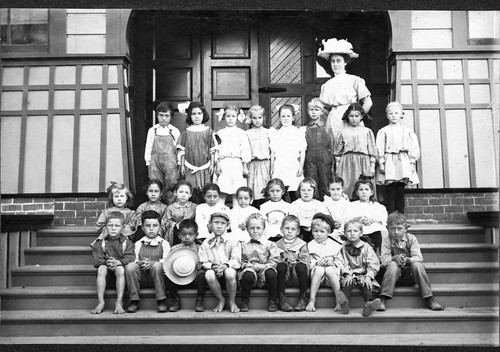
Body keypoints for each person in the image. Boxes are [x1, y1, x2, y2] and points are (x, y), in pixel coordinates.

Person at [379, 211, 444, 311]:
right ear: (387, 228)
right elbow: (384, 261)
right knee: (392, 264)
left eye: (399, 229)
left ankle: (429, 299)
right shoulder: (386, 240)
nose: (396, 232)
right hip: (393, 278)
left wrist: (407, 260)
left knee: (417, 265)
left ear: (406, 229)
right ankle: (383, 299)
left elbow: (418, 257)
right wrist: (394, 258)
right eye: (392, 229)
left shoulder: (411, 239)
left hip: (409, 277)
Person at [317, 38, 373, 134]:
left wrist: (357, 118)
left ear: (345, 62)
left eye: (339, 61)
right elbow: (324, 109)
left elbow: (368, 102)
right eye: (333, 61)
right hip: (332, 122)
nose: (335, 64)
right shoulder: (327, 85)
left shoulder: (355, 80)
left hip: (350, 121)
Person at [376, 102, 421, 214]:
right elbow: (379, 147)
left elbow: (413, 147)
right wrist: (381, 162)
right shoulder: (383, 131)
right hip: (389, 160)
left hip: (403, 160)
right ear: (387, 115)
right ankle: (391, 216)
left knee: (400, 190)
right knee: (390, 190)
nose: (393, 115)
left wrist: (411, 162)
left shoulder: (407, 131)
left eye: (396, 113)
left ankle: (401, 216)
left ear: (401, 114)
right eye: (391, 113)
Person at [125, 210, 170, 313]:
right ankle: (134, 300)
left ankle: (161, 300)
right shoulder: (138, 243)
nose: (151, 229)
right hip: (143, 277)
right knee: (130, 267)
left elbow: (167, 261)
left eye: (155, 225)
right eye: (147, 226)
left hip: (159, 277)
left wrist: (153, 263)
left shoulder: (164, 243)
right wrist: (141, 263)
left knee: (158, 265)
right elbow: (134, 259)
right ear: (142, 227)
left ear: (160, 226)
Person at [90, 211, 135, 314]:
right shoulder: (100, 243)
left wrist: (118, 262)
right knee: (101, 268)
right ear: (105, 227)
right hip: (106, 277)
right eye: (110, 225)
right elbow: (97, 260)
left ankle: (119, 302)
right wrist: (109, 263)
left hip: (122, 278)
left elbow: (130, 258)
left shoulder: (127, 243)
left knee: (120, 268)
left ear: (123, 228)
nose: (113, 228)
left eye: (117, 225)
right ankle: (101, 302)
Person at [198, 212, 241, 312]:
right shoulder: (206, 242)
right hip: (215, 274)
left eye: (223, 223)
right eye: (216, 222)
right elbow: (203, 261)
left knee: (229, 272)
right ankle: (221, 299)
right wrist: (213, 266)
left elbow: (236, 259)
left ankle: (232, 301)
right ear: (210, 224)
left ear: (227, 225)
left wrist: (226, 265)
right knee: (208, 274)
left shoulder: (232, 240)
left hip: (230, 274)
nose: (219, 226)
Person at [305, 213, 348, 313]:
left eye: (322, 231)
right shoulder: (308, 246)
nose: (318, 234)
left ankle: (338, 299)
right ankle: (312, 300)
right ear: (311, 232)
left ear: (328, 233)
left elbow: (341, 261)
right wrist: (316, 262)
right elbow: (306, 261)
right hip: (316, 277)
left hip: (331, 277)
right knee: (320, 269)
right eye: (315, 231)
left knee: (329, 269)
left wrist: (332, 261)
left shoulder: (335, 245)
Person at [333, 103, 378, 198]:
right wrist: (337, 167)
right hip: (346, 163)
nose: (354, 118)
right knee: (347, 187)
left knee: (363, 187)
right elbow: (337, 152)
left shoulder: (367, 131)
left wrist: (372, 166)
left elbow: (372, 151)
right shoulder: (343, 132)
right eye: (351, 116)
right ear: (347, 116)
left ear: (361, 116)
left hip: (363, 162)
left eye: (356, 116)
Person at [340, 219, 382, 317]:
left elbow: (373, 262)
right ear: (345, 233)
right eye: (349, 231)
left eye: (355, 231)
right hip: (350, 275)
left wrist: (369, 275)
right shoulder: (343, 247)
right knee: (347, 284)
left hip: (364, 275)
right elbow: (342, 262)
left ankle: (368, 304)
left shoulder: (367, 247)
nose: (352, 234)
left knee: (366, 285)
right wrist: (347, 274)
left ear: (361, 233)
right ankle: (344, 303)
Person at [239, 213, 280, 312]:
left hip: (264, 271)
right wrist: (245, 264)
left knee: (271, 272)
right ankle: (244, 300)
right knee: (248, 274)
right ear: (247, 229)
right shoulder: (243, 244)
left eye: (258, 228)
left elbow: (275, 260)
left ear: (263, 229)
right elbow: (239, 260)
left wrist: (262, 266)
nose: (255, 231)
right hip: (250, 270)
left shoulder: (270, 244)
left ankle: (272, 301)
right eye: (252, 228)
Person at [177, 102, 217, 204]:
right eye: (194, 114)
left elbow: (212, 149)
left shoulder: (208, 131)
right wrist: (182, 166)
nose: (197, 116)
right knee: (191, 192)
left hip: (205, 167)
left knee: (205, 191)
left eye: (199, 113)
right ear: (190, 116)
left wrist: (212, 164)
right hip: (190, 166)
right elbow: (182, 151)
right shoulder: (186, 132)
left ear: (204, 115)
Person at [164, 219, 207, 312]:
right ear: (179, 235)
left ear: (196, 235)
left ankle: (199, 300)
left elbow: (205, 261)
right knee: (166, 274)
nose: (187, 237)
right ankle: (175, 300)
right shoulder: (174, 249)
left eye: (191, 234)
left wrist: (201, 265)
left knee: (202, 274)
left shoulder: (200, 249)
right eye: (184, 234)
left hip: (194, 279)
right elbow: (168, 263)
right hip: (178, 279)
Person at [214, 105, 251, 207]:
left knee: (237, 192)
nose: (230, 119)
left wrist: (245, 166)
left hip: (237, 164)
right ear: (224, 117)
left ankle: (236, 215)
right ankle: (220, 214)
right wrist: (217, 164)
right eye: (228, 116)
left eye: (233, 116)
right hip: (224, 163)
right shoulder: (220, 133)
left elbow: (245, 149)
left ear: (237, 117)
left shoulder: (241, 133)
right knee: (222, 190)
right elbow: (216, 149)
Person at [144, 102, 180, 204]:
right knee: (156, 185)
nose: (163, 118)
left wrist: (178, 164)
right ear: (157, 115)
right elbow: (148, 147)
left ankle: (170, 208)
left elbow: (179, 149)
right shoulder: (152, 130)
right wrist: (148, 162)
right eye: (161, 115)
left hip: (171, 163)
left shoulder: (174, 131)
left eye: (166, 116)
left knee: (171, 185)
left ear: (171, 116)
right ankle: (157, 209)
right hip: (154, 162)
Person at [270, 104, 307, 202]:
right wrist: (272, 167)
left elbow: (302, 151)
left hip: (293, 164)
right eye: (283, 116)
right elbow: (273, 153)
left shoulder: (297, 132)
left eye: (288, 116)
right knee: (281, 190)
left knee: (294, 189)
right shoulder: (276, 133)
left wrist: (301, 167)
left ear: (293, 117)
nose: (285, 119)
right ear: (279, 118)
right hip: (280, 165)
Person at [275, 215, 310, 312]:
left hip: (297, 276)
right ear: (281, 230)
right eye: (287, 228)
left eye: (293, 229)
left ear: (298, 231)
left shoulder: (302, 244)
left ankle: (303, 297)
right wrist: (284, 260)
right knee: (280, 266)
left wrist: (296, 260)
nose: (290, 231)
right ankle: (281, 299)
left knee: (301, 266)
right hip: (283, 277)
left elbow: (306, 259)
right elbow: (273, 259)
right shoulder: (276, 245)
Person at [346, 177, 388, 256]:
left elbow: (382, 220)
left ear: (371, 192)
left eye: (366, 189)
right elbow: (347, 219)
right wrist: (357, 220)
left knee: (379, 228)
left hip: (372, 227)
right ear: (357, 192)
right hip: (358, 227)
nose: (364, 192)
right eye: (361, 190)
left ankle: (378, 253)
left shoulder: (378, 206)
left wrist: (372, 221)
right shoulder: (352, 205)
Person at [304, 98, 335, 199]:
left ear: (322, 112)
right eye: (311, 109)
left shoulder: (327, 128)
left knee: (325, 181)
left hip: (325, 157)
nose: (314, 112)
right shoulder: (305, 128)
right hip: (310, 158)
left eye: (316, 110)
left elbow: (332, 145)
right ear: (308, 111)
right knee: (311, 182)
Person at [91, 182, 136, 246]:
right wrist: (108, 228)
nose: (119, 199)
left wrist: (122, 230)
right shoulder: (107, 212)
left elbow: (132, 226)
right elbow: (99, 225)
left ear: (126, 198)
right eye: (116, 196)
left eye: (122, 196)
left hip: (123, 238)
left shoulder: (130, 213)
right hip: (109, 237)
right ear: (112, 198)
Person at [245, 105, 274, 207]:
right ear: (250, 119)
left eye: (259, 118)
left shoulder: (268, 132)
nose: (257, 120)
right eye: (254, 118)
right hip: (252, 164)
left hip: (265, 164)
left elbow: (272, 151)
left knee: (264, 189)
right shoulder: (247, 133)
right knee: (251, 188)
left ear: (263, 118)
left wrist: (272, 167)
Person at [290, 177, 329, 242]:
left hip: (314, 230)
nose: (306, 192)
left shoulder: (318, 204)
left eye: (309, 190)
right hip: (300, 230)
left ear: (314, 191)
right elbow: (293, 219)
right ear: (299, 191)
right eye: (303, 190)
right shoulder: (295, 204)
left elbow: (323, 217)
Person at [163, 180, 197, 246]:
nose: (183, 195)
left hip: (190, 232)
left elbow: (197, 220)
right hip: (176, 233)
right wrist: (175, 225)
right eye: (181, 192)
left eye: (186, 193)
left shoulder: (194, 207)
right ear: (175, 193)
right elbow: (166, 221)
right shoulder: (170, 208)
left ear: (190, 194)